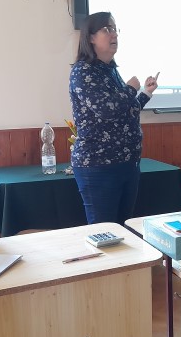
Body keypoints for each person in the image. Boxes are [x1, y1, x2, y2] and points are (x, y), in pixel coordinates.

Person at [68, 12, 158, 224]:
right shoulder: (83, 71)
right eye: (107, 29)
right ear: (91, 37)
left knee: (125, 229)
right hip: (98, 165)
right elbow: (106, 110)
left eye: (115, 29)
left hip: (127, 163)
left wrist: (145, 93)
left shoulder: (111, 71)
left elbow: (125, 111)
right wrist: (130, 89)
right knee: (104, 232)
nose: (114, 34)